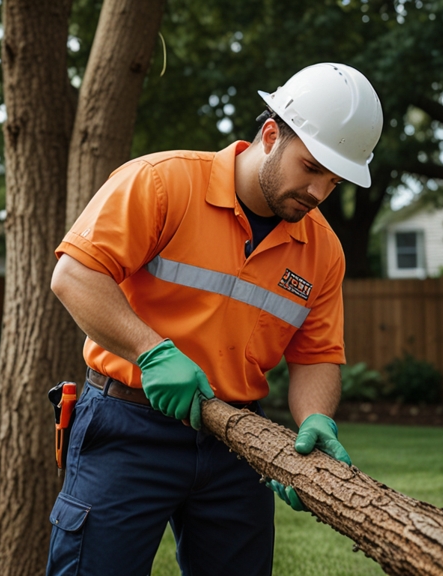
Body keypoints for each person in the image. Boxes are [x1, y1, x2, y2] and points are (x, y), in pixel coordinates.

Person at [46, 62, 383, 575]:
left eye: (333, 181)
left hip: (239, 443)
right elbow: (75, 276)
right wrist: (151, 351)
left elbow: (315, 355)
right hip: (126, 426)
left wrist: (316, 419)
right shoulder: (162, 182)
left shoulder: (323, 252)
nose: (318, 192)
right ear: (271, 134)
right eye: (311, 168)